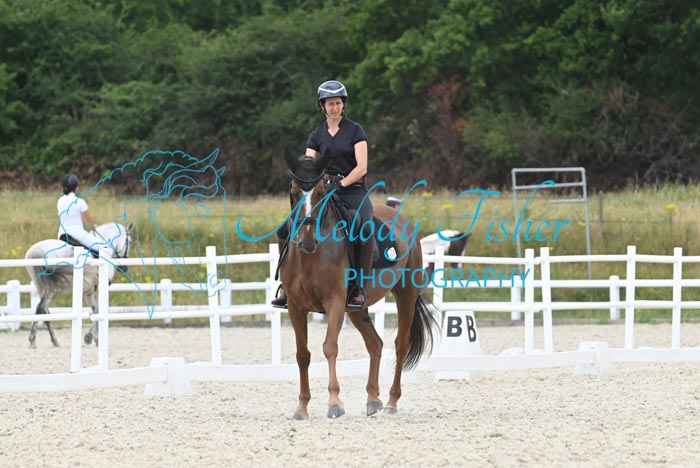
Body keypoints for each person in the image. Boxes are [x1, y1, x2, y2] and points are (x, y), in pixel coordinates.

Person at [272, 80, 373, 308]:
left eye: (338, 103)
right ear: (322, 106)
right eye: (330, 104)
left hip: (353, 191)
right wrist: (304, 176)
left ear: (343, 104)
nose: (334, 107)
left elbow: (362, 167)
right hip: (323, 191)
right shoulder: (317, 135)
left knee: (364, 228)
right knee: (284, 228)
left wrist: (342, 184)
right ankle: (286, 285)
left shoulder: (355, 130)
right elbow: (309, 163)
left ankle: (359, 287)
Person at [57, 174, 102, 257]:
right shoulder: (79, 202)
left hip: (62, 234)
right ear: (75, 187)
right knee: (104, 248)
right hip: (77, 234)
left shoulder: (60, 201)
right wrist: (93, 226)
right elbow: (89, 219)